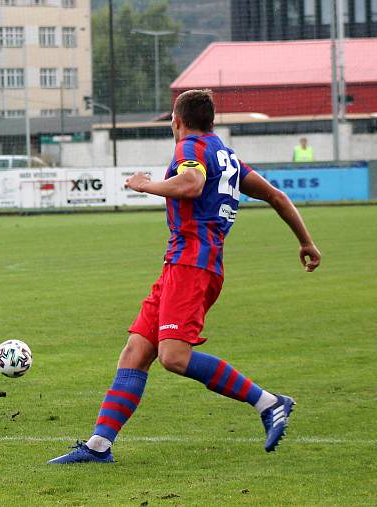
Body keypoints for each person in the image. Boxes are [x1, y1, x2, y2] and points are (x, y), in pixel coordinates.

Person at [48, 89, 322, 464]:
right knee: (135, 351)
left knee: (173, 357)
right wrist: (306, 242)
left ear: (177, 121)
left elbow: (190, 185)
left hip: (192, 265)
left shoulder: (189, 147)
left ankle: (269, 402)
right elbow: (277, 197)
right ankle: (99, 446)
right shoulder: (227, 157)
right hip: (182, 264)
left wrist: (145, 185)